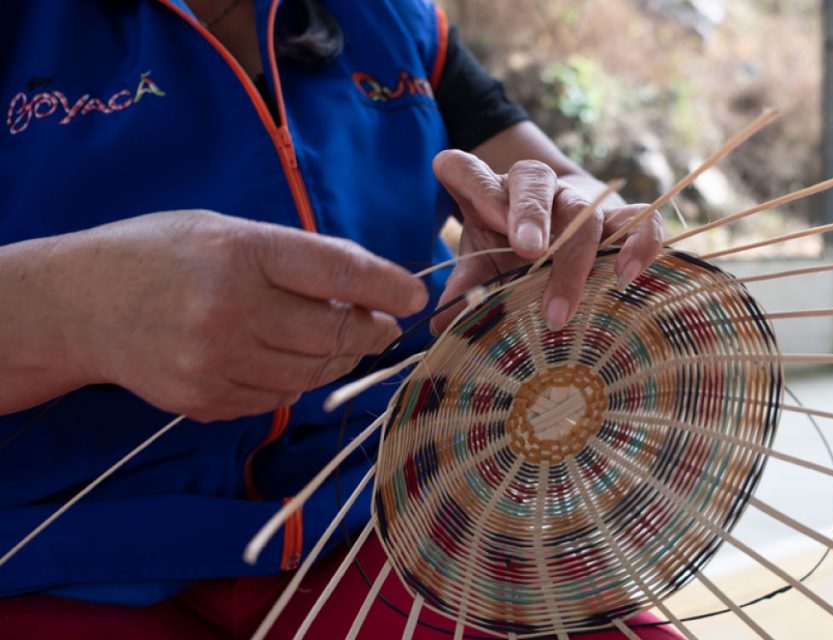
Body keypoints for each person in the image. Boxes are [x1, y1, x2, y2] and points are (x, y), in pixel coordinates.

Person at [0, 1, 675, 637]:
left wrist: (565, 219)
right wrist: (73, 310)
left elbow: (555, 178)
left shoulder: (392, 19)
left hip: (388, 516)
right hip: (48, 553)